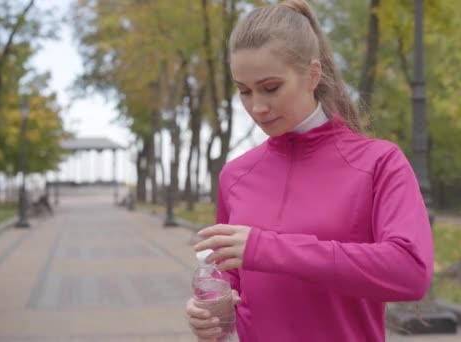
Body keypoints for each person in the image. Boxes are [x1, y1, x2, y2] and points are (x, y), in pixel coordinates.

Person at [186, 0, 434, 341]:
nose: (257, 107)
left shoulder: (378, 163)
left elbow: (411, 272)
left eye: (271, 88)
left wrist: (267, 249)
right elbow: (232, 282)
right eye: (244, 91)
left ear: (312, 75)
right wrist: (212, 314)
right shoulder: (235, 176)